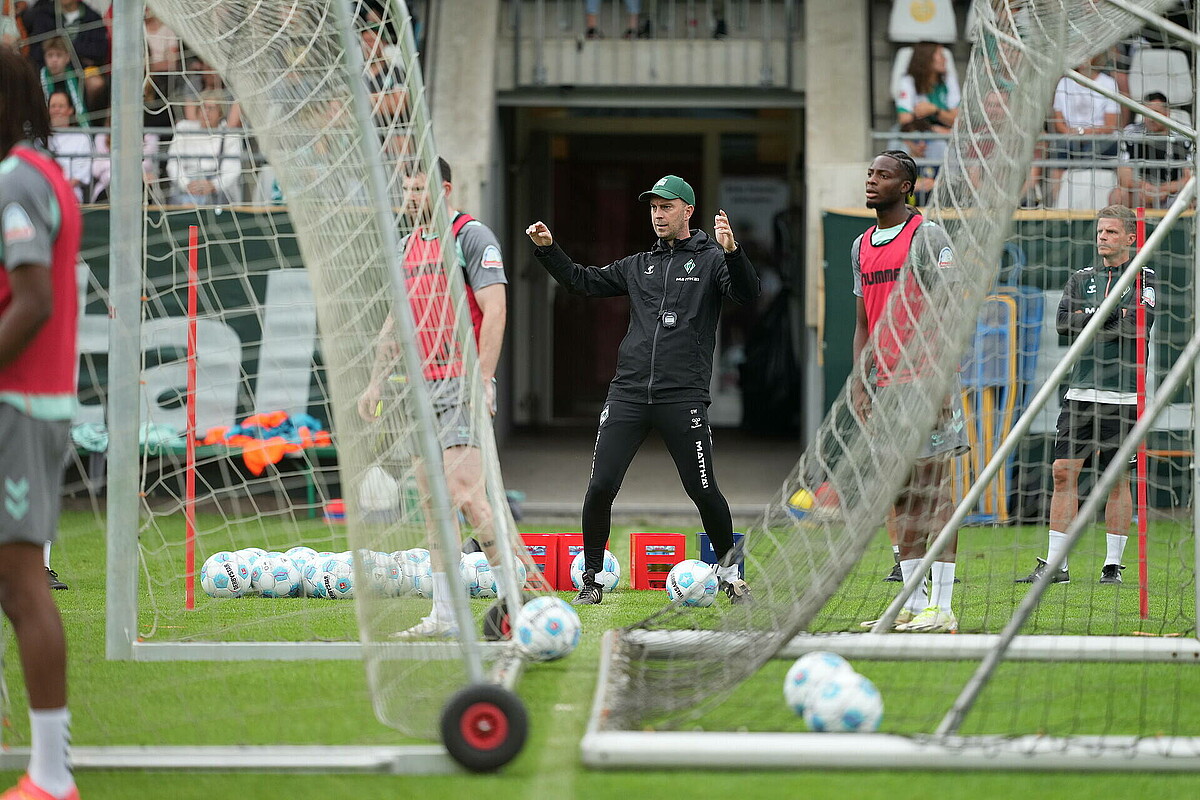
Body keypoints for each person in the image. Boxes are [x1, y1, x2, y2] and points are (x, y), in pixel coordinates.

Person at [526, 175, 759, 605]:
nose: (657, 214)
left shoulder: (711, 260)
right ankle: (591, 578)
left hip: (682, 395)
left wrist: (733, 251)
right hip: (628, 393)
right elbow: (582, 280)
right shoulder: (638, 265)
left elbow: (747, 292)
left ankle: (730, 575)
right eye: (653, 207)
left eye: (666, 207)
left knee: (703, 490)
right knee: (600, 487)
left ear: (687, 211)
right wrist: (548, 250)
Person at [359, 158, 517, 640]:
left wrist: (483, 380)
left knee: (468, 497)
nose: (408, 198)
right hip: (417, 389)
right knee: (433, 505)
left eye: (416, 189)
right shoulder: (407, 247)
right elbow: (396, 321)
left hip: (459, 385)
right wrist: (375, 381)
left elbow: (495, 311)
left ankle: (517, 602)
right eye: (404, 190)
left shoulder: (471, 237)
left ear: (443, 189)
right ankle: (446, 616)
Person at [0, 46, 82, 800]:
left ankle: (52, 776)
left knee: (24, 587)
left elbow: (32, 302)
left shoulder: (14, 180)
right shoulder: (45, 173)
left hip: (17, 405)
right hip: (30, 401)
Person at [852, 150, 966, 633]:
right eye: (871, 173)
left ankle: (942, 605)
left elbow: (948, 312)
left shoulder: (928, 236)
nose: (872, 180)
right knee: (899, 497)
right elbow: (862, 321)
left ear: (906, 187)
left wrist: (940, 381)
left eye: (883, 175)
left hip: (925, 379)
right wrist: (861, 379)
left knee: (934, 491)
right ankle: (912, 603)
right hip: (885, 386)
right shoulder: (859, 245)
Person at [1016, 205, 1155, 586]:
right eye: (1100, 232)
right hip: (1080, 392)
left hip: (1125, 395)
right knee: (1063, 474)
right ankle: (1056, 564)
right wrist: (1106, 317)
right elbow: (1063, 324)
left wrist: (1091, 318)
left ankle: (1112, 566)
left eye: (1111, 232)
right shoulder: (1081, 278)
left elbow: (1136, 326)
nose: (1102, 238)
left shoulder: (1144, 277)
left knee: (1116, 480)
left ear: (1130, 238)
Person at [23, 0, 108, 115]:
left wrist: (66, 50)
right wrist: (64, 55)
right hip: (47, 67)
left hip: (81, 69)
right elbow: (36, 50)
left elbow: (99, 51)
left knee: (96, 83)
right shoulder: (43, 13)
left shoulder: (92, 16)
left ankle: (91, 125)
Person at [894, 42, 961, 189]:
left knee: (944, 147)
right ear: (926, 59)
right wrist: (930, 131)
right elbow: (905, 120)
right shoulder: (909, 82)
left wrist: (934, 110)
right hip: (916, 134)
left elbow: (957, 119)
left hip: (942, 135)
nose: (945, 60)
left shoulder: (948, 81)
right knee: (898, 147)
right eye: (940, 56)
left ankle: (946, 188)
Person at [1111, 92, 1193, 210]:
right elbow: (1124, 176)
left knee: (1191, 197)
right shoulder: (1131, 134)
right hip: (1141, 192)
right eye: (1147, 113)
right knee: (1117, 195)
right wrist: (1144, 187)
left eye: (1156, 113)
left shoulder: (1184, 135)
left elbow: (1190, 179)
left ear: (1167, 113)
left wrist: (1164, 189)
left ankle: (1188, 228)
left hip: (1173, 193)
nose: (1151, 118)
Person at [165, 90, 243, 206]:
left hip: (216, 189)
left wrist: (213, 185)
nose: (206, 112)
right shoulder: (184, 128)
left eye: (211, 108)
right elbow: (173, 163)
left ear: (220, 111)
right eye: (202, 107)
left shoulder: (230, 135)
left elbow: (233, 170)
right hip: (186, 185)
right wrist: (185, 184)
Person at [38, 37, 88, 127]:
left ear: (67, 57)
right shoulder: (39, 79)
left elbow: (80, 110)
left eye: (59, 55)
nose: (54, 60)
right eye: (50, 55)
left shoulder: (75, 78)